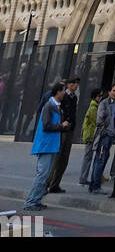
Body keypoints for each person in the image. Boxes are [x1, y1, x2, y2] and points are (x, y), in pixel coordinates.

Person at [24, 80, 64, 212]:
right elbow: (46, 125)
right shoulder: (49, 106)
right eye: (63, 90)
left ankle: (36, 200)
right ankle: (30, 202)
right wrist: (61, 126)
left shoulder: (56, 106)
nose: (64, 93)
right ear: (58, 91)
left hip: (51, 144)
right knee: (42, 174)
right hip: (46, 144)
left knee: (45, 175)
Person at [46, 76, 79, 192]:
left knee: (64, 158)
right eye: (74, 83)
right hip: (61, 129)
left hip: (69, 129)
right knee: (57, 158)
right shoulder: (63, 96)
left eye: (77, 83)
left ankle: (55, 184)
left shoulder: (74, 97)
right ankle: (46, 184)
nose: (76, 85)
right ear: (69, 84)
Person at [89, 83, 115, 193]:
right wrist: (105, 130)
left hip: (111, 135)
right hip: (104, 135)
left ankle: (93, 185)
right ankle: (96, 186)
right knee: (100, 160)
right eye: (114, 90)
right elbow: (99, 120)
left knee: (102, 159)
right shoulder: (103, 103)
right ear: (109, 92)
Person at [78, 87, 103, 186]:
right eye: (100, 96)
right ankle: (83, 179)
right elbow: (94, 123)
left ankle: (83, 178)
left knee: (88, 157)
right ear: (96, 97)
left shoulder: (94, 106)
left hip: (90, 135)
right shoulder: (94, 108)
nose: (101, 97)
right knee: (87, 158)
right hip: (91, 136)